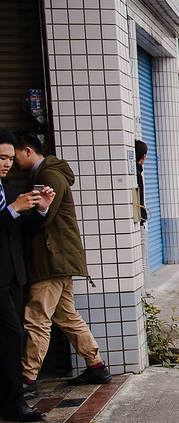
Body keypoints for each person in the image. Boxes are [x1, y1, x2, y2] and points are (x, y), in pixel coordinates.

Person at [12, 133, 111, 392]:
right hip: (57, 258)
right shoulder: (44, 174)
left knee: (36, 318)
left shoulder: (48, 176)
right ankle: (96, 366)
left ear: (27, 150)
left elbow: (42, 218)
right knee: (66, 316)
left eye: (14, 155)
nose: (11, 161)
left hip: (51, 260)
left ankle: (27, 378)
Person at [0, 130, 53, 421]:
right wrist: (12, 210)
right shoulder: (10, 199)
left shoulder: (9, 191)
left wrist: (40, 211)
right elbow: (6, 220)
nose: (7, 163)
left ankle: (9, 397)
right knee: (13, 335)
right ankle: (13, 401)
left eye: (9, 157)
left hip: (13, 276)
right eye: (1, 157)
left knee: (11, 337)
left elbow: (21, 234)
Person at [135, 139, 148, 223]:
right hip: (139, 218)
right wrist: (143, 216)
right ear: (144, 156)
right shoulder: (137, 174)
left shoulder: (134, 172)